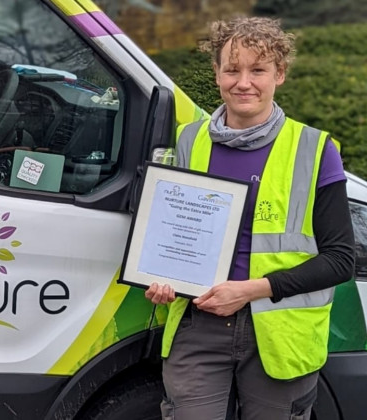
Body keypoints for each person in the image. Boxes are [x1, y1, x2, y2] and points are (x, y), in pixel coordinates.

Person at [145, 16, 355, 420]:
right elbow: (171, 231)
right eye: (232, 69)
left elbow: (339, 260)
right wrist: (159, 276)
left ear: (280, 73)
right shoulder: (188, 140)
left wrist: (248, 290)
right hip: (199, 324)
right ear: (216, 73)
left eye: (258, 70)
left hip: (280, 333)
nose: (244, 82)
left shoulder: (314, 148)